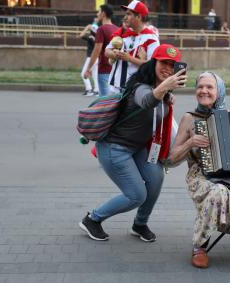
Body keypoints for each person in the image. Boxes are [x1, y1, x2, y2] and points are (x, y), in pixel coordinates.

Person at [79, 44, 187, 242]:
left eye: (173, 65)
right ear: (154, 62)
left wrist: (167, 93)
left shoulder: (161, 90)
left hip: (137, 147)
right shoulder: (141, 87)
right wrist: (165, 88)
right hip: (114, 148)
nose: (168, 69)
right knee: (136, 195)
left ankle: (140, 224)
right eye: (164, 63)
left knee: (155, 179)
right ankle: (92, 219)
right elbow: (146, 101)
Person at [169, 72, 230, 268]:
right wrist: (189, 142)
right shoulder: (189, 118)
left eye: (210, 87)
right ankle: (200, 247)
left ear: (219, 91)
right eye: (200, 87)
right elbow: (171, 159)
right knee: (218, 192)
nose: (204, 91)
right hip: (200, 176)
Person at [105, 1, 160, 94]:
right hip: (113, 87)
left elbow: (152, 66)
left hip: (135, 90)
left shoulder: (151, 38)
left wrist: (129, 58)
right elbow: (106, 51)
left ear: (139, 17)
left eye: (129, 14)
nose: (125, 17)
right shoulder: (122, 32)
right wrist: (115, 54)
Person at [83, 4, 118, 97]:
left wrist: (88, 69)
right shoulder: (117, 29)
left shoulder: (101, 29)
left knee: (104, 102)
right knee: (113, 100)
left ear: (103, 14)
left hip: (104, 70)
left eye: (99, 12)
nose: (97, 14)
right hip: (115, 70)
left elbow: (96, 51)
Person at [79, 19, 99, 96]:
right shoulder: (97, 37)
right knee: (95, 75)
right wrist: (95, 22)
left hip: (90, 58)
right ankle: (97, 90)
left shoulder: (91, 37)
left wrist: (87, 28)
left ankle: (89, 90)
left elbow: (81, 35)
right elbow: (95, 27)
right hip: (97, 58)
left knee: (83, 74)